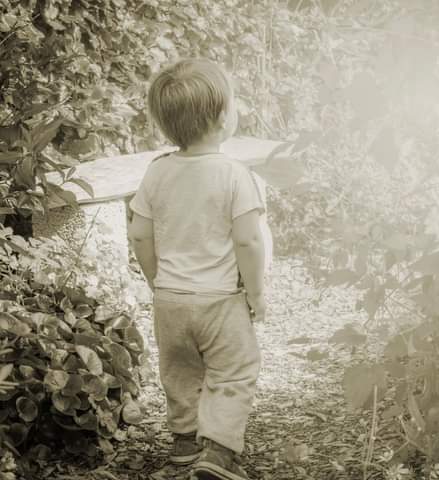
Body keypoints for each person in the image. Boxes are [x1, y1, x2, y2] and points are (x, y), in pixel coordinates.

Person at [128, 58, 265, 480]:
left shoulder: (156, 173)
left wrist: (157, 282)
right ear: (224, 118)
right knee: (234, 371)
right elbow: (248, 240)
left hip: (170, 299)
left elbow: (139, 235)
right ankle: (219, 453)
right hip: (220, 300)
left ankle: (185, 444)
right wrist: (256, 293)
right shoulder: (235, 175)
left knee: (180, 372)